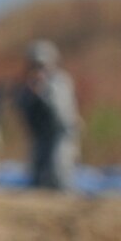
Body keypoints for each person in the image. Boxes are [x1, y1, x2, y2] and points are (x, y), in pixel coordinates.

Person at [16, 40, 78, 191]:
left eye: (41, 64)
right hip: (41, 136)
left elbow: (61, 113)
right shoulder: (30, 84)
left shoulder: (60, 81)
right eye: (34, 65)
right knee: (38, 175)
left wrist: (43, 93)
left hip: (60, 135)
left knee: (58, 173)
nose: (38, 69)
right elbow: (23, 109)